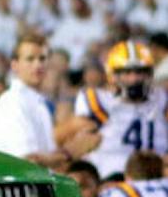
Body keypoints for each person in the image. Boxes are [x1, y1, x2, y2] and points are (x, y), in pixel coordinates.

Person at [59, 41, 168, 179]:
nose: (134, 79)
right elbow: (62, 137)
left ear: (150, 73)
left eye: (140, 72)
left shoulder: (161, 99)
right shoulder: (98, 101)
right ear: (113, 75)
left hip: (155, 181)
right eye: (127, 72)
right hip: (109, 180)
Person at [0, 33, 65, 165]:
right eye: (30, 59)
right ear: (15, 65)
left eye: (42, 59)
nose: (37, 65)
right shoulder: (13, 102)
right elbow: (28, 161)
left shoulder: (39, 104)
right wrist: (70, 153)